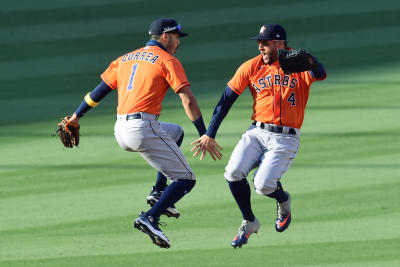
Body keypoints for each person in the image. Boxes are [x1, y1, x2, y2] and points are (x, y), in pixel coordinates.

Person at [64, 18, 221, 249]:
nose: (178, 42)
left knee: (175, 132)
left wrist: (76, 116)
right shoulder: (167, 60)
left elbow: (98, 92)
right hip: (142, 129)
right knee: (186, 179)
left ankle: (158, 192)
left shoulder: (125, 58)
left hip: (120, 129)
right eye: (177, 37)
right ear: (165, 36)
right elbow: (187, 99)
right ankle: (151, 217)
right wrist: (204, 134)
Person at [191, 24, 326, 248]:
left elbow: (320, 74)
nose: (260, 47)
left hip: (286, 137)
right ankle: (249, 221)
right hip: (257, 132)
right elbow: (226, 100)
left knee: (263, 185)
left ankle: (283, 200)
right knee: (233, 173)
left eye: (265, 43)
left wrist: (312, 60)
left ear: (279, 43)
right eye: (259, 42)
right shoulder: (251, 67)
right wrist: (209, 133)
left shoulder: (298, 63)